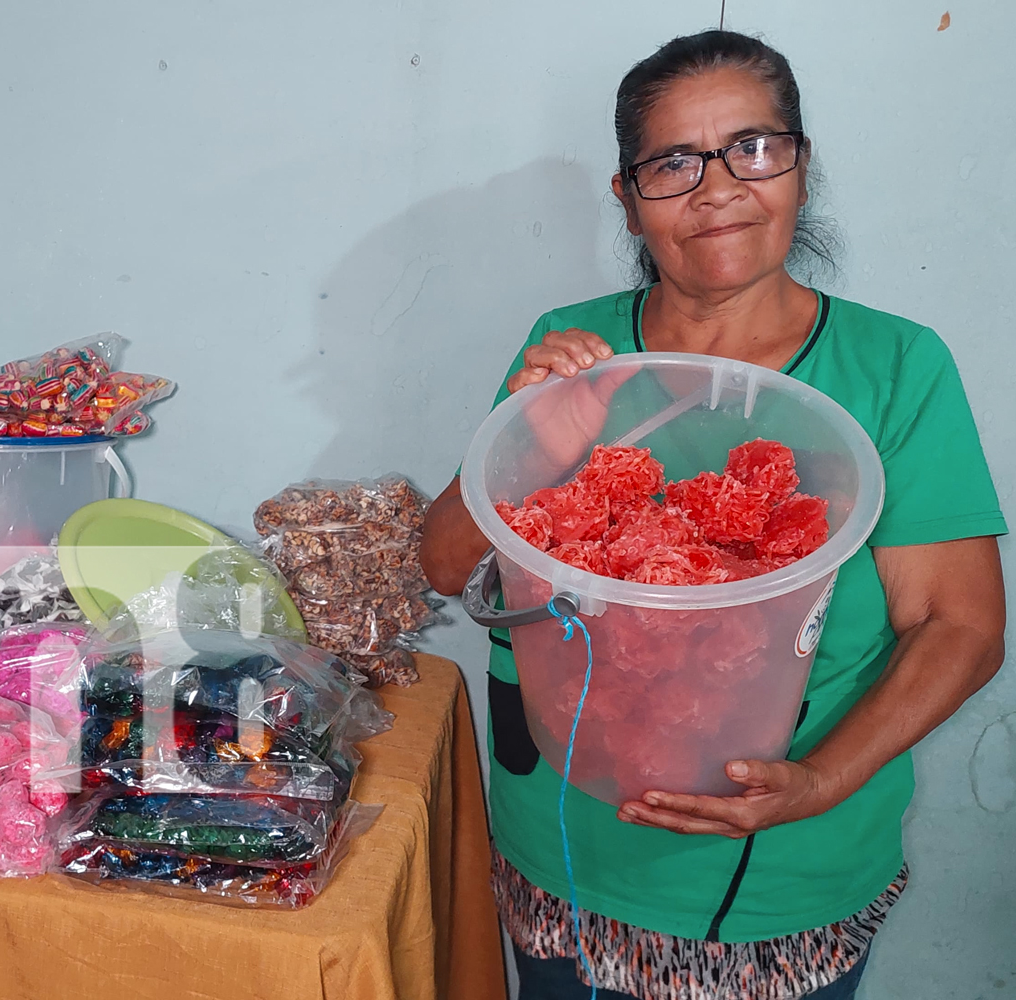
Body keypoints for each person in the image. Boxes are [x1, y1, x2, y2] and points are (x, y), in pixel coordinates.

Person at [420, 30, 1007, 1000]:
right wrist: (541, 447)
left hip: (785, 873)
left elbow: (964, 627)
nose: (719, 187)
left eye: (754, 148)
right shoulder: (568, 349)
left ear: (800, 166)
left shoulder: (897, 368)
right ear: (628, 196)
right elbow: (447, 564)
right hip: (565, 850)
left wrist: (820, 781)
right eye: (673, 163)